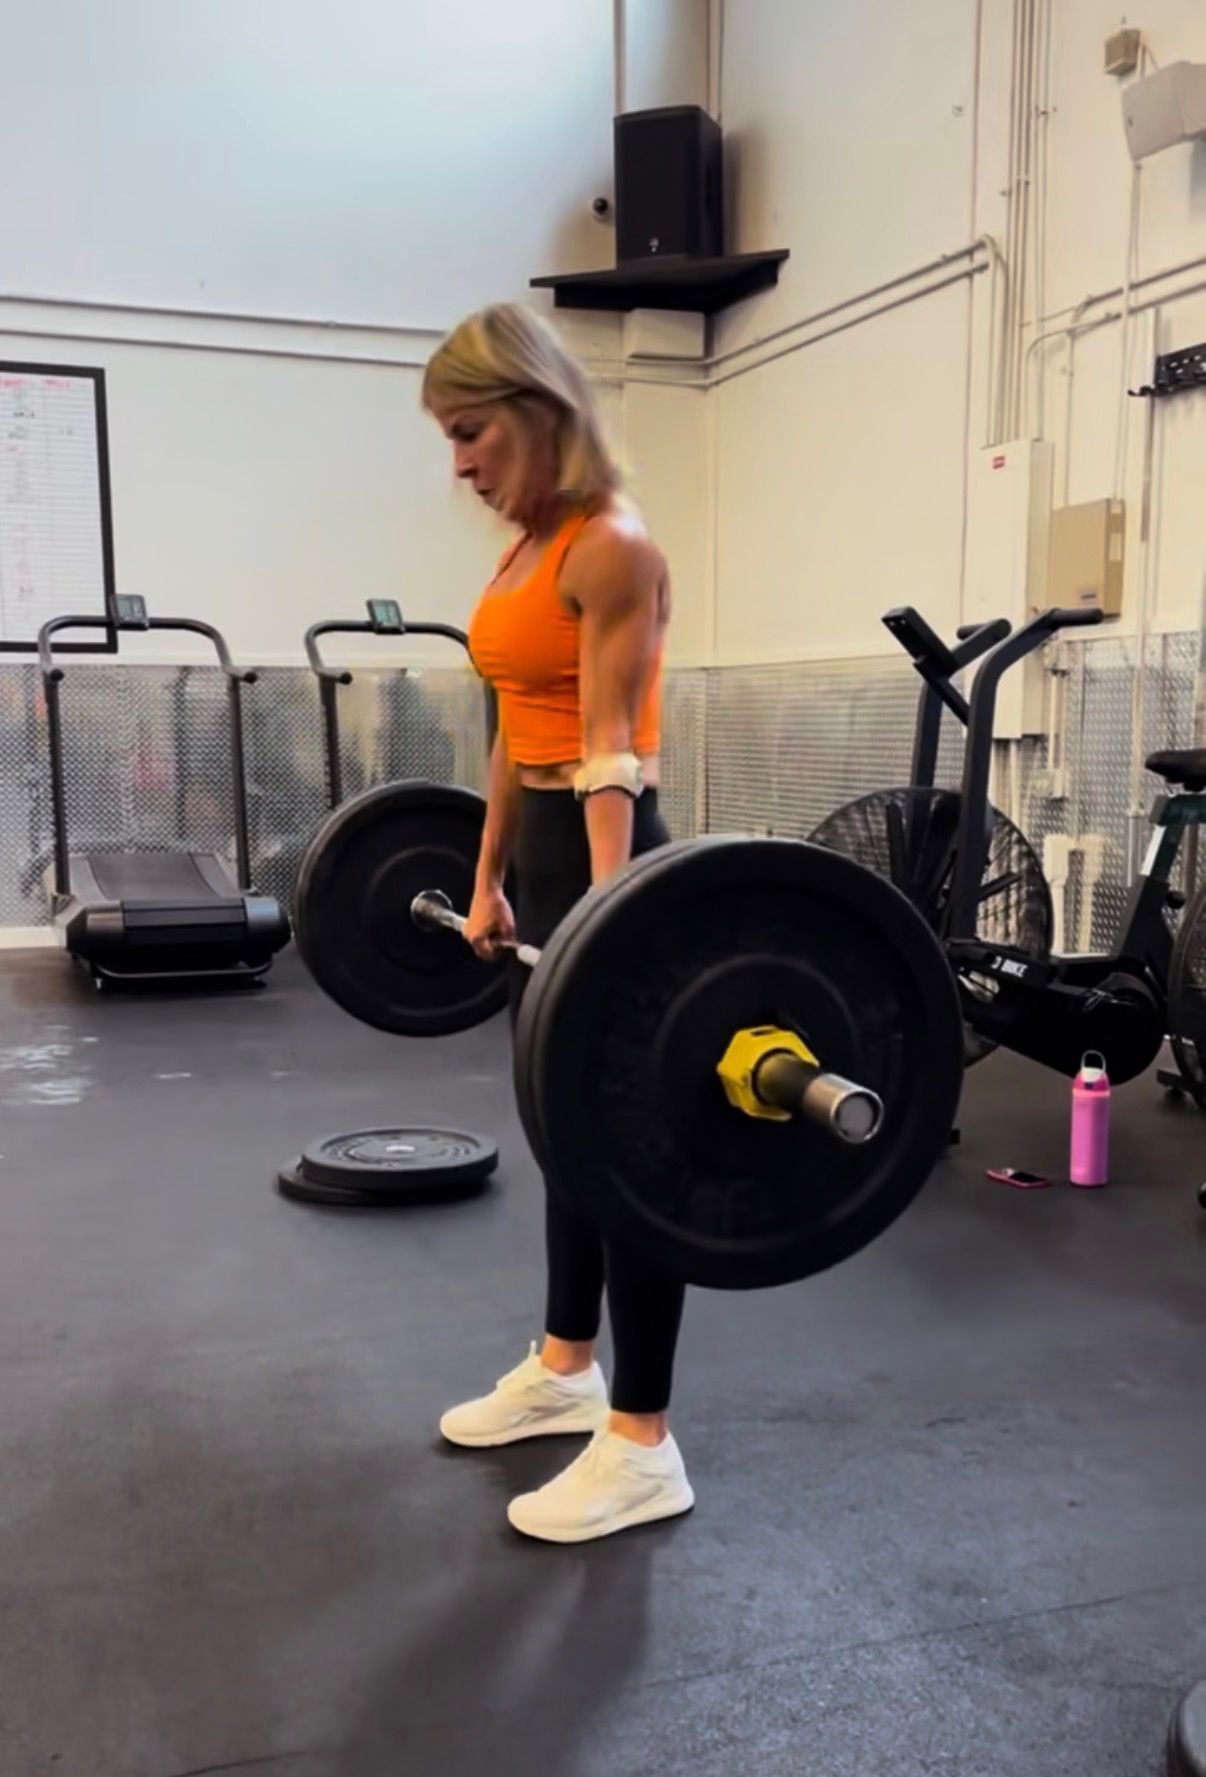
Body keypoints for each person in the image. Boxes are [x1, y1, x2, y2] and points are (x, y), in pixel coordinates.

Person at [420, 303, 694, 1544]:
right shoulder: (521, 553)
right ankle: (565, 1363)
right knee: (561, 1121)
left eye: (471, 432)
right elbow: (513, 737)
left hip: (612, 852)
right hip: (541, 849)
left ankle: (642, 1439)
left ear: (536, 412)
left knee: (632, 1144)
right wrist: (487, 880)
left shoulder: (609, 546)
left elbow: (606, 751)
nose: (461, 462)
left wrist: (604, 918)